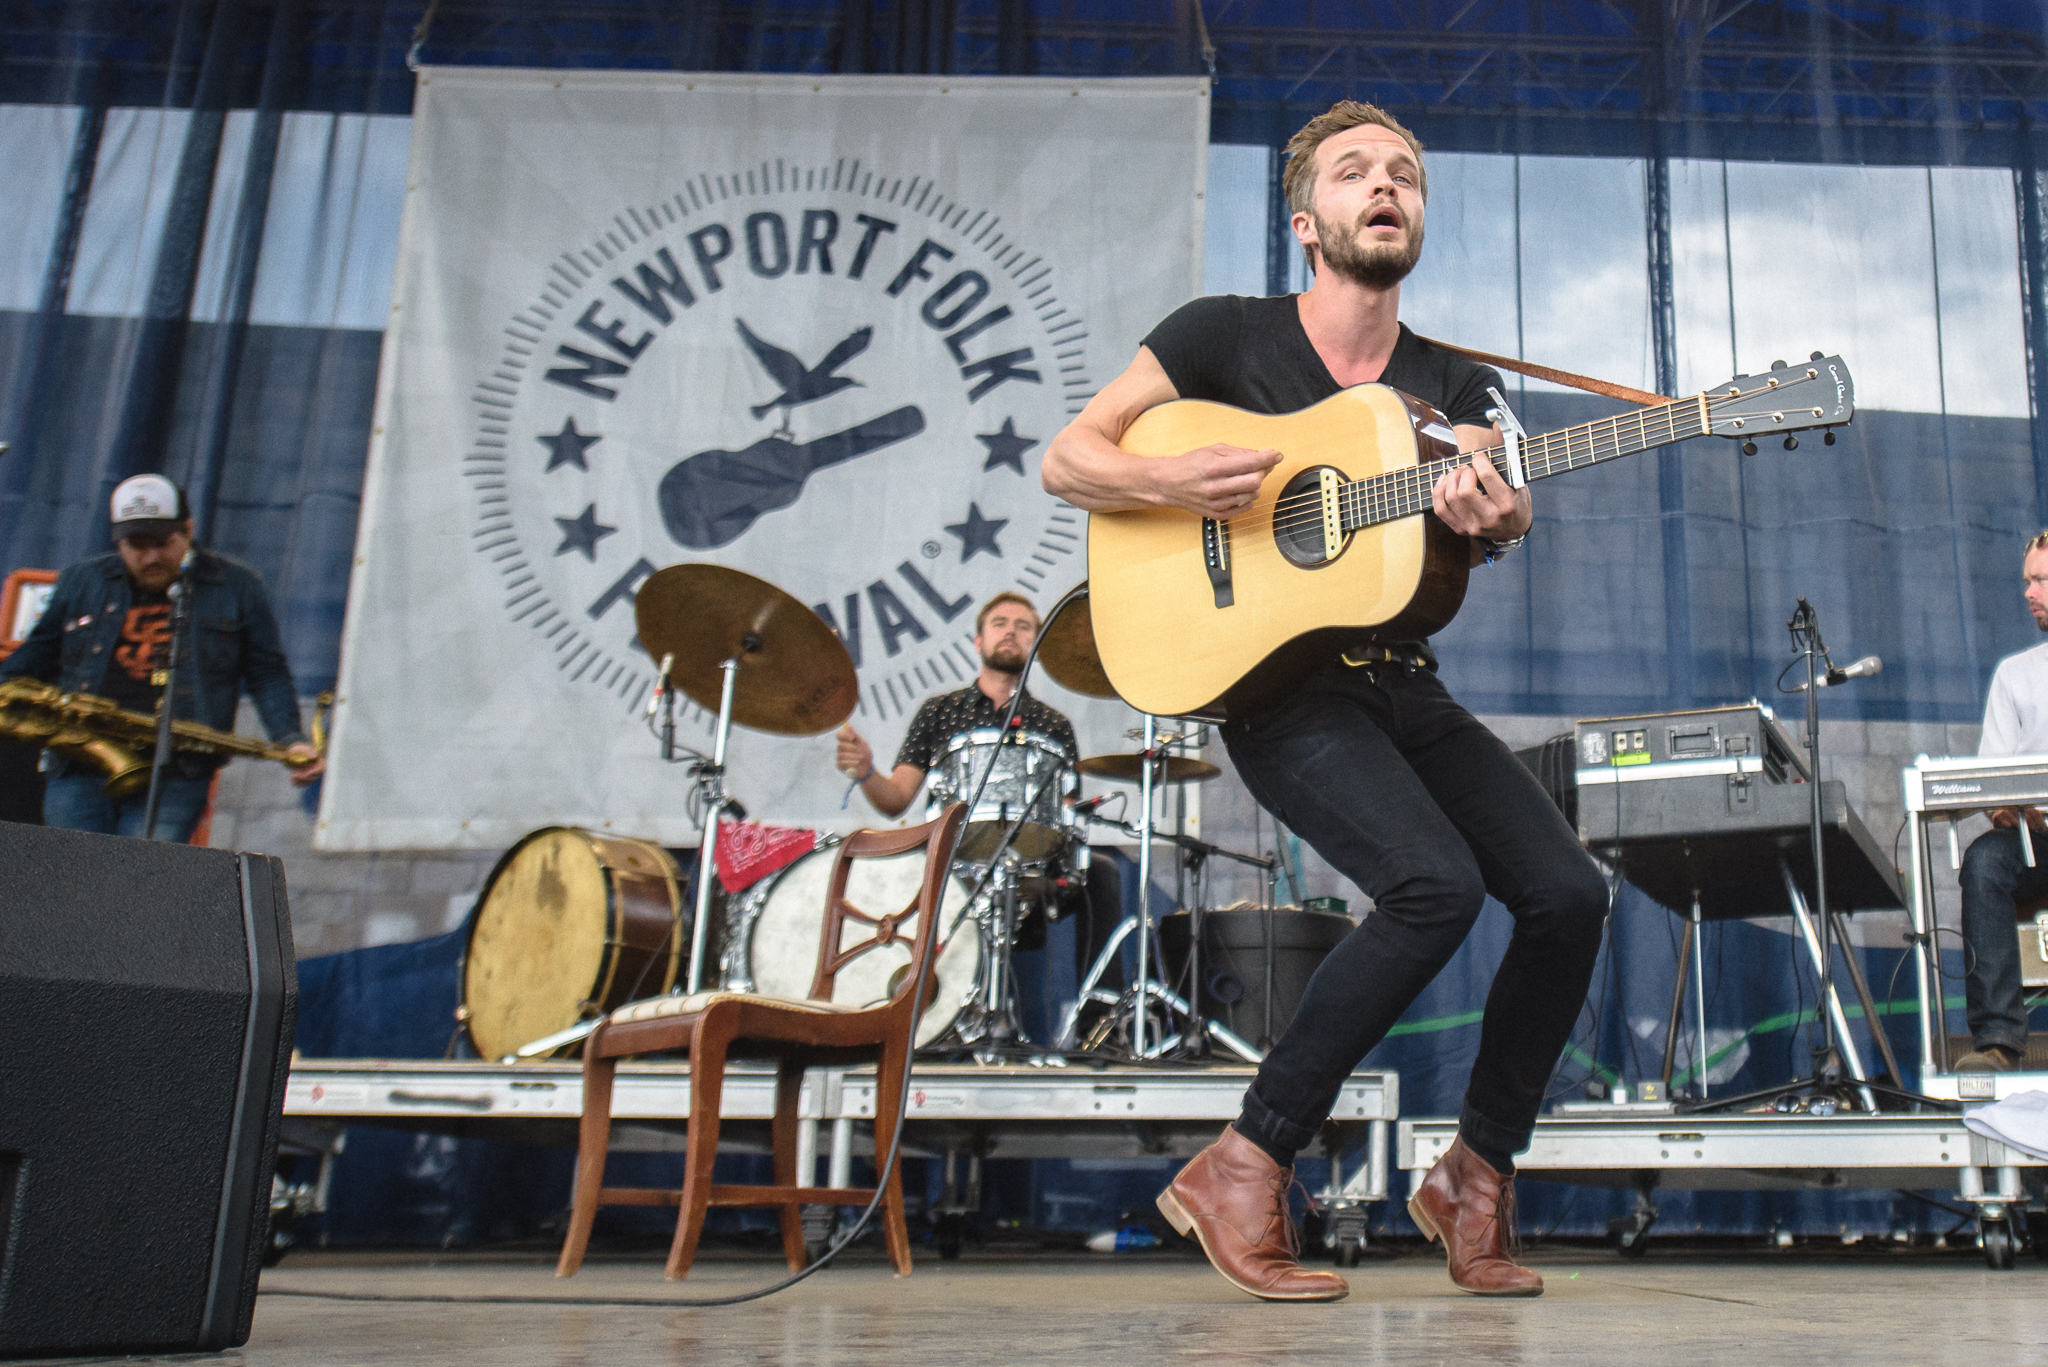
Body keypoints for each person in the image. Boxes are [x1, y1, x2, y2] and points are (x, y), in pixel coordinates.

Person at [1042, 102, 1608, 1300]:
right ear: (1307, 220)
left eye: (1402, 172)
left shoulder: (1455, 382)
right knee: (1432, 885)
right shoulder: (1218, 338)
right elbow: (1069, 456)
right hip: (1278, 690)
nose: (1384, 185)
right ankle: (1244, 1162)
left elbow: (1501, 500)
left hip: (1403, 682)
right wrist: (1164, 473)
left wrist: (1498, 515)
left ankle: (1474, 1172)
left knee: (1565, 891)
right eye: (1355, 172)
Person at [0, 473, 325, 842]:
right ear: (118, 539)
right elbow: (36, 654)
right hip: (78, 762)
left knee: (146, 884)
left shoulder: (237, 586)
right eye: (137, 545)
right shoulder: (81, 580)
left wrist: (289, 737)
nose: (151, 556)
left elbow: (266, 672)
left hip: (176, 770)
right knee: (72, 881)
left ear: (188, 528)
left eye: (163, 542)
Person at [1953, 531, 2048, 1072]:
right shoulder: (2016, 674)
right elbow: (1994, 781)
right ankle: (1998, 1043)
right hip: (2038, 843)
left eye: (2040, 581)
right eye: (2026, 582)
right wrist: (2009, 809)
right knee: (1986, 858)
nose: (2029, 593)